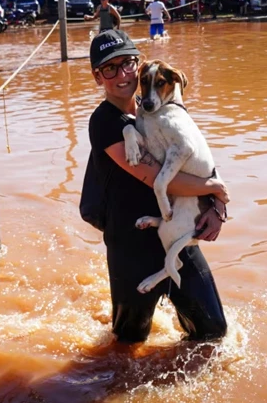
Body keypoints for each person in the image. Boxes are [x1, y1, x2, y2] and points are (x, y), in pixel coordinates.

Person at [86, 30, 228, 343]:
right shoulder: (106, 122)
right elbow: (157, 178)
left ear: (141, 67)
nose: (122, 75)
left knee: (213, 332)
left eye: (128, 64)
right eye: (110, 68)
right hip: (132, 247)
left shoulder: (163, 110)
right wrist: (216, 189)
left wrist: (218, 207)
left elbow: (197, 156)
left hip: (177, 232)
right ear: (98, 77)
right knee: (129, 343)